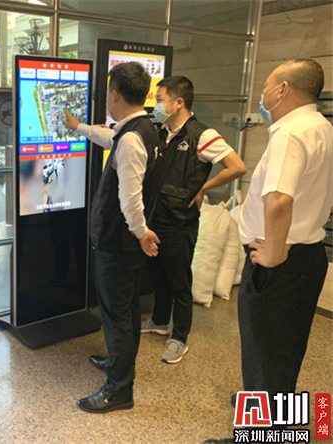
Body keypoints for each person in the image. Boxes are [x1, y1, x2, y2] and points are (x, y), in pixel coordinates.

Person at [206, 59, 332, 444]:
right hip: (309, 255)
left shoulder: (290, 133)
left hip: (280, 259)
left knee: (263, 351)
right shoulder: (322, 127)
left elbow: (278, 200)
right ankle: (273, 411)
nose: (262, 96)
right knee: (285, 348)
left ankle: (262, 435)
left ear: (284, 90)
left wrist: (274, 253)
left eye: (266, 88)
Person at [63, 61, 163, 414]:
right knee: (127, 308)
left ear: (115, 95)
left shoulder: (133, 138)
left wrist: (141, 232)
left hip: (118, 242)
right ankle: (119, 364)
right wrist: (79, 128)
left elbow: (129, 199)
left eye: (108, 91)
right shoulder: (142, 129)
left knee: (116, 313)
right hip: (127, 243)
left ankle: (119, 389)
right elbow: (111, 138)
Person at [142, 76, 246, 364]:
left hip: (180, 221)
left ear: (178, 103)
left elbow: (237, 167)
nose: (156, 105)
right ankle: (160, 322)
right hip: (155, 218)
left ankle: (179, 338)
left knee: (179, 282)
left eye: (160, 100)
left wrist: (203, 187)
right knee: (158, 276)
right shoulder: (162, 131)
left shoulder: (202, 135)